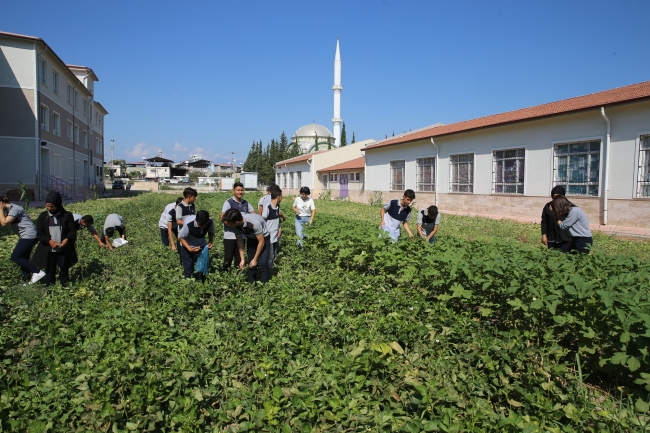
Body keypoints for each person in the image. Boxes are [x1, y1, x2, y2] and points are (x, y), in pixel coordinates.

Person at [31, 191, 78, 286]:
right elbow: (39, 234)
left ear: (58, 204)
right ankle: (50, 289)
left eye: (52, 206)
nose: (49, 208)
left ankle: (64, 288)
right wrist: (49, 241)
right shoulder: (43, 216)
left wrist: (67, 239)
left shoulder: (67, 216)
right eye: (47, 206)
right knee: (50, 271)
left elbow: (72, 231)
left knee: (64, 270)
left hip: (63, 249)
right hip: (49, 249)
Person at [0, 195, 46, 284]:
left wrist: (0, 209)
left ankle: (37, 272)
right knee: (23, 258)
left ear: (1, 202)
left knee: (16, 256)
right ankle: (26, 280)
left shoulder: (14, 208)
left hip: (29, 235)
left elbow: (4, 223)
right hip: (27, 236)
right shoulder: (9, 210)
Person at [222, 208, 271, 283]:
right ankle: (252, 286)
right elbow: (240, 241)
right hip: (251, 238)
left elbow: (261, 242)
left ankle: (265, 287)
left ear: (236, 222)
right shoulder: (235, 225)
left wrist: (255, 259)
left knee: (263, 263)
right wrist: (242, 259)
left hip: (264, 238)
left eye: (229, 223)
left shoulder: (254, 223)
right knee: (251, 263)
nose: (227, 224)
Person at [220, 182, 254, 270]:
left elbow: (254, 215)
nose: (240, 192)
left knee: (238, 259)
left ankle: (237, 277)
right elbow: (222, 218)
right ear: (233, 191)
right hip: (230, 236)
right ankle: (225, 275)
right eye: (238, 190)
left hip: (242, 235)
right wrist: (234, 226)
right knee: (228, 258)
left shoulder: (246, 203)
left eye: (242, 190)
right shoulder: (229, 202)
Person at [178, 210, 214, 279]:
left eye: (204, 225)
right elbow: (181, 238)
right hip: (187, 245)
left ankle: (201, 281)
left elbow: (211, 232)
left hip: (201, 244)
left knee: (202, 264)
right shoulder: (189, 223)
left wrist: (210, 242)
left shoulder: (210, 221)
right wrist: (190, 249)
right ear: (196, 220)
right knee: (189, 265)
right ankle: (188, 282)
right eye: (200, 225)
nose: (202, 227)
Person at [541, 186, 572, 251]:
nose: (555, 199)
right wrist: (544, 235)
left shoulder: (568, 207)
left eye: (558, 197)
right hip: (552, 237)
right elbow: (544, 221)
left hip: (565, 238)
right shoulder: (548, 206)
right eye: (554, 197)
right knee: (552, 257)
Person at [262, 186, 285, 268]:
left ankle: (270, 270)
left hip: (276, 236)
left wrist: (279, 228)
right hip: (269, 237)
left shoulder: (278, 207)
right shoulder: (268, 208)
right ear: (278, 197)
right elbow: (263, 221)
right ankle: (268, 272)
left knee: (274, 254)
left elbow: (277, 220)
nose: (281, 198)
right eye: (281, 197)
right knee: (270, 256)